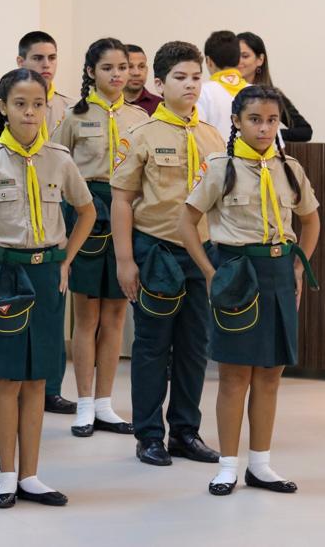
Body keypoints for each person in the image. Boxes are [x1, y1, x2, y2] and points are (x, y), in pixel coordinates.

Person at [0, 68, 96, 509]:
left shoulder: (59, 158)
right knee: (9, 378)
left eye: (38, 104)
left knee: (38, 380)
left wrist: (66, 260)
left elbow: (85, 212)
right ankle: (7, 475)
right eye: (21, 105)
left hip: (47, 273)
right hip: (4, 275)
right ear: (4, 108)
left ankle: (32, 475)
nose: (30, 113)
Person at [179, 85, 320, 497]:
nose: (264, 128)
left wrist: (298, 265)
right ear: (237, 122)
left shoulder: (289, 167)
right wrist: (208, 271)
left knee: (271, 373)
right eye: (255, 119)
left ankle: (261, 463)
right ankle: (227, 466)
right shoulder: (221, 166)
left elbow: (310, 220)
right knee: (235, 375)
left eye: (272, 120)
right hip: (237, 271)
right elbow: (187, 221)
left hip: (277, 270)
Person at [110, 41, 224, 467]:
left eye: (196, 77)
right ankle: (149, 434)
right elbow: (122, 200)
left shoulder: (212, 136)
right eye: (180, 77)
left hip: (201, 253)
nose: (191, 84)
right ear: (159, 83)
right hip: (156, 250)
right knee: (153, 346)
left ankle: (185, 432)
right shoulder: (141, 135)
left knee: (195, 345)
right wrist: (125, 260)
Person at [54, 37, 148, 438]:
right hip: (87, 210)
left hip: (126, 212)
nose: (117, 75)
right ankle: (85, 403)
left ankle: (107, 403)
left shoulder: (138, 118)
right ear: (91, 72)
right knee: (86, 314)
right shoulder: (75, 117)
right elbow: (55, 167)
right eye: (108, 68)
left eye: (123, 68)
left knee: (115, 314)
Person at [15, 30, 76, 414]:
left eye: (52, 58)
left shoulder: (71, 108)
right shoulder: (5, 104)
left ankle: (51, 385)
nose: (46, 66)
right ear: (21, 61)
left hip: (57, 205)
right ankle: (18, 378)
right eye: (38, 59)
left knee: (54, 303)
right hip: (16, 207)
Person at [236, 32, 312, 142]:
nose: (238, 61)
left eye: (245, 56)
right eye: (234, 56)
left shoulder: (272, 95)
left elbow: (305, 131)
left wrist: (269, 133)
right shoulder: (220, 91)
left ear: (260, 59)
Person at [196, 31, 248, 141]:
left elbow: (197, 137)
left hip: (213, 157)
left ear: (208, 61)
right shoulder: (260, 92)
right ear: (239, 59)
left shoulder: (200, 92)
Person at [123, 45, 163, 115]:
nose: (136, 73)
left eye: (141, 66)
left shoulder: (161, 106)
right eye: (130, 66)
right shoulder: (107, 105)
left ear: (147, 70)